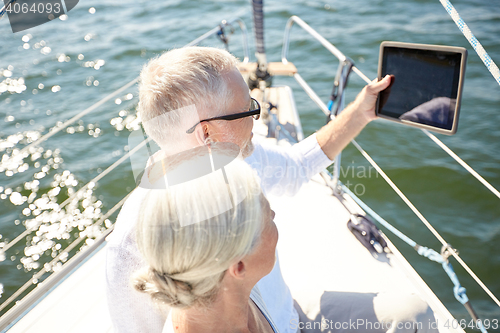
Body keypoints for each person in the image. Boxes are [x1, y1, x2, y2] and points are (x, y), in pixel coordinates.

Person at [105, 46, 392, 332]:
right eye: (247, 109)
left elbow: (296, 167)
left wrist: (361, 112)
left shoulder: (237, 156)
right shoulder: (131, 244)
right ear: (208, 134)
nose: (257, 117)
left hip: (290, 318)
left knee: (412, 317)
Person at [132, 157, 279, 333]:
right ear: (238, 265)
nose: (273, 214)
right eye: (266, 216)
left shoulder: (229, 288)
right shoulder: (232, 291)